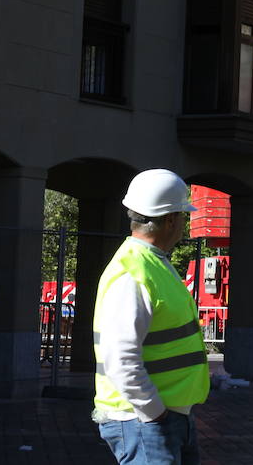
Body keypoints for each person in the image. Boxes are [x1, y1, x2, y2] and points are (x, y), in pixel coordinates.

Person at [93, 169, 210, 464]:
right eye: (183, 216)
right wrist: (154, 412)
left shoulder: (151, 264)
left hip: (162, 417)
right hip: (145, 419)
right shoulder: (134, 272)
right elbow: (121, 358)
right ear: (170, 219)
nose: (184, 224)